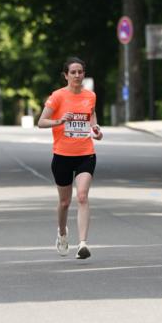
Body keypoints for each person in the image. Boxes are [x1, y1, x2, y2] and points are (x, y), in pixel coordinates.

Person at [37, 56, 103, 259]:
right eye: (73, 72)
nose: (77, 75)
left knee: (82, 196)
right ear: (66, 75)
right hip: (62, 155)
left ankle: (82, 244)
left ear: (84, 74)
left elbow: (91, 117)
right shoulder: (57, 96)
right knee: (65, 202)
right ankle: (62, 233)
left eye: (80, 72)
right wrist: (58, 121)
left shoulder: (90, 96)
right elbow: (41, 122)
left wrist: (96, 130)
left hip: (86, 153)